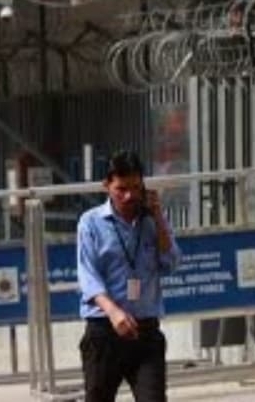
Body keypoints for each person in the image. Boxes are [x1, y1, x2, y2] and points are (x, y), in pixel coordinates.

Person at [76, 150, 182, 402]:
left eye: (135, 187)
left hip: (145, 332)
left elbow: (170, 263)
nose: (129, 196)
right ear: (107, 186)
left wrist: (158, 217)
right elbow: (88, 277)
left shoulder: (152, 220)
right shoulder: (90, 223)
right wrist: (114, 312)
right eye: (121, 189)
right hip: (104, 330)